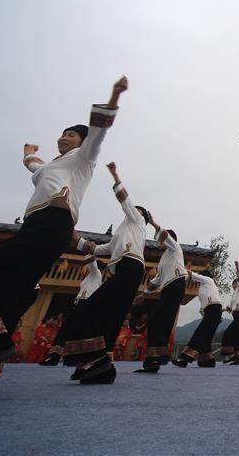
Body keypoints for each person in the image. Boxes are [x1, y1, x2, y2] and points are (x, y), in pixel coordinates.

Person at [0, 76, 126, 398]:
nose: (63, 137)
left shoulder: (83, 160)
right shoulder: (48, 168)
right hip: (38, 229)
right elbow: (33, 165)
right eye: (61, 134)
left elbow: (99, 133)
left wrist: (113, 96)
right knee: (8, 295)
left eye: (70, 134)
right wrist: (28, 152)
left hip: (52, 224)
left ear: (82, 141)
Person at [63, 162, 150, 385]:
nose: (134, 211)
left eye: (137, 210)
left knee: (91, 307)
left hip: (130, 267)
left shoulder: (138, 221)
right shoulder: (119, 236)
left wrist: (115, 175)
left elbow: (125, 201)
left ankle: (94, 359)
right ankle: (100, 365)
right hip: (124, 269)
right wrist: (76, 239)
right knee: (110, 315)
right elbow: (97, 249)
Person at [133, 214, 188, 373]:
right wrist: (143, 294)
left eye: (163, 238)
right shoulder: (165, 257)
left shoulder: (175, 247)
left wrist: (152, 222)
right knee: (159, 319)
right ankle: (154, 359)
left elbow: (164, 234)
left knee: (157, 317)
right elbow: (156, 280)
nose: (160, 240)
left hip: (176, 284)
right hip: (168, 288)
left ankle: (158, 356)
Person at [41, 256, 104, 366]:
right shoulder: (89, 277)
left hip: (85, 303)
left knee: (75, 330)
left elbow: (92, 264)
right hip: (78, 303)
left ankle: (72, 357)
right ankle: (55, 356)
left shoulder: (96, 273)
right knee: (66, 329)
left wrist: (89, 252)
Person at [173, 270, 222, 368]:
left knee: (200, 332)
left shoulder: (208, 280)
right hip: (211, 310)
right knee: (206, 336)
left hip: (213, 308)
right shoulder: (204, 287)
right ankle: (207, 360)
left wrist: (183, 269)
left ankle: (185, 358)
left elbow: (192, 275)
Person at [221, 262, 239, 364]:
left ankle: (231, 354)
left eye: (234, 284)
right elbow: (230, 309)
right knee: (237, 336)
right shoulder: (234, 296)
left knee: (228, 333)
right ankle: (238, 357)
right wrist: (223, 310)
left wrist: (237, 268)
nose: (233, 286)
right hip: (237, 315)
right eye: (232, 284)